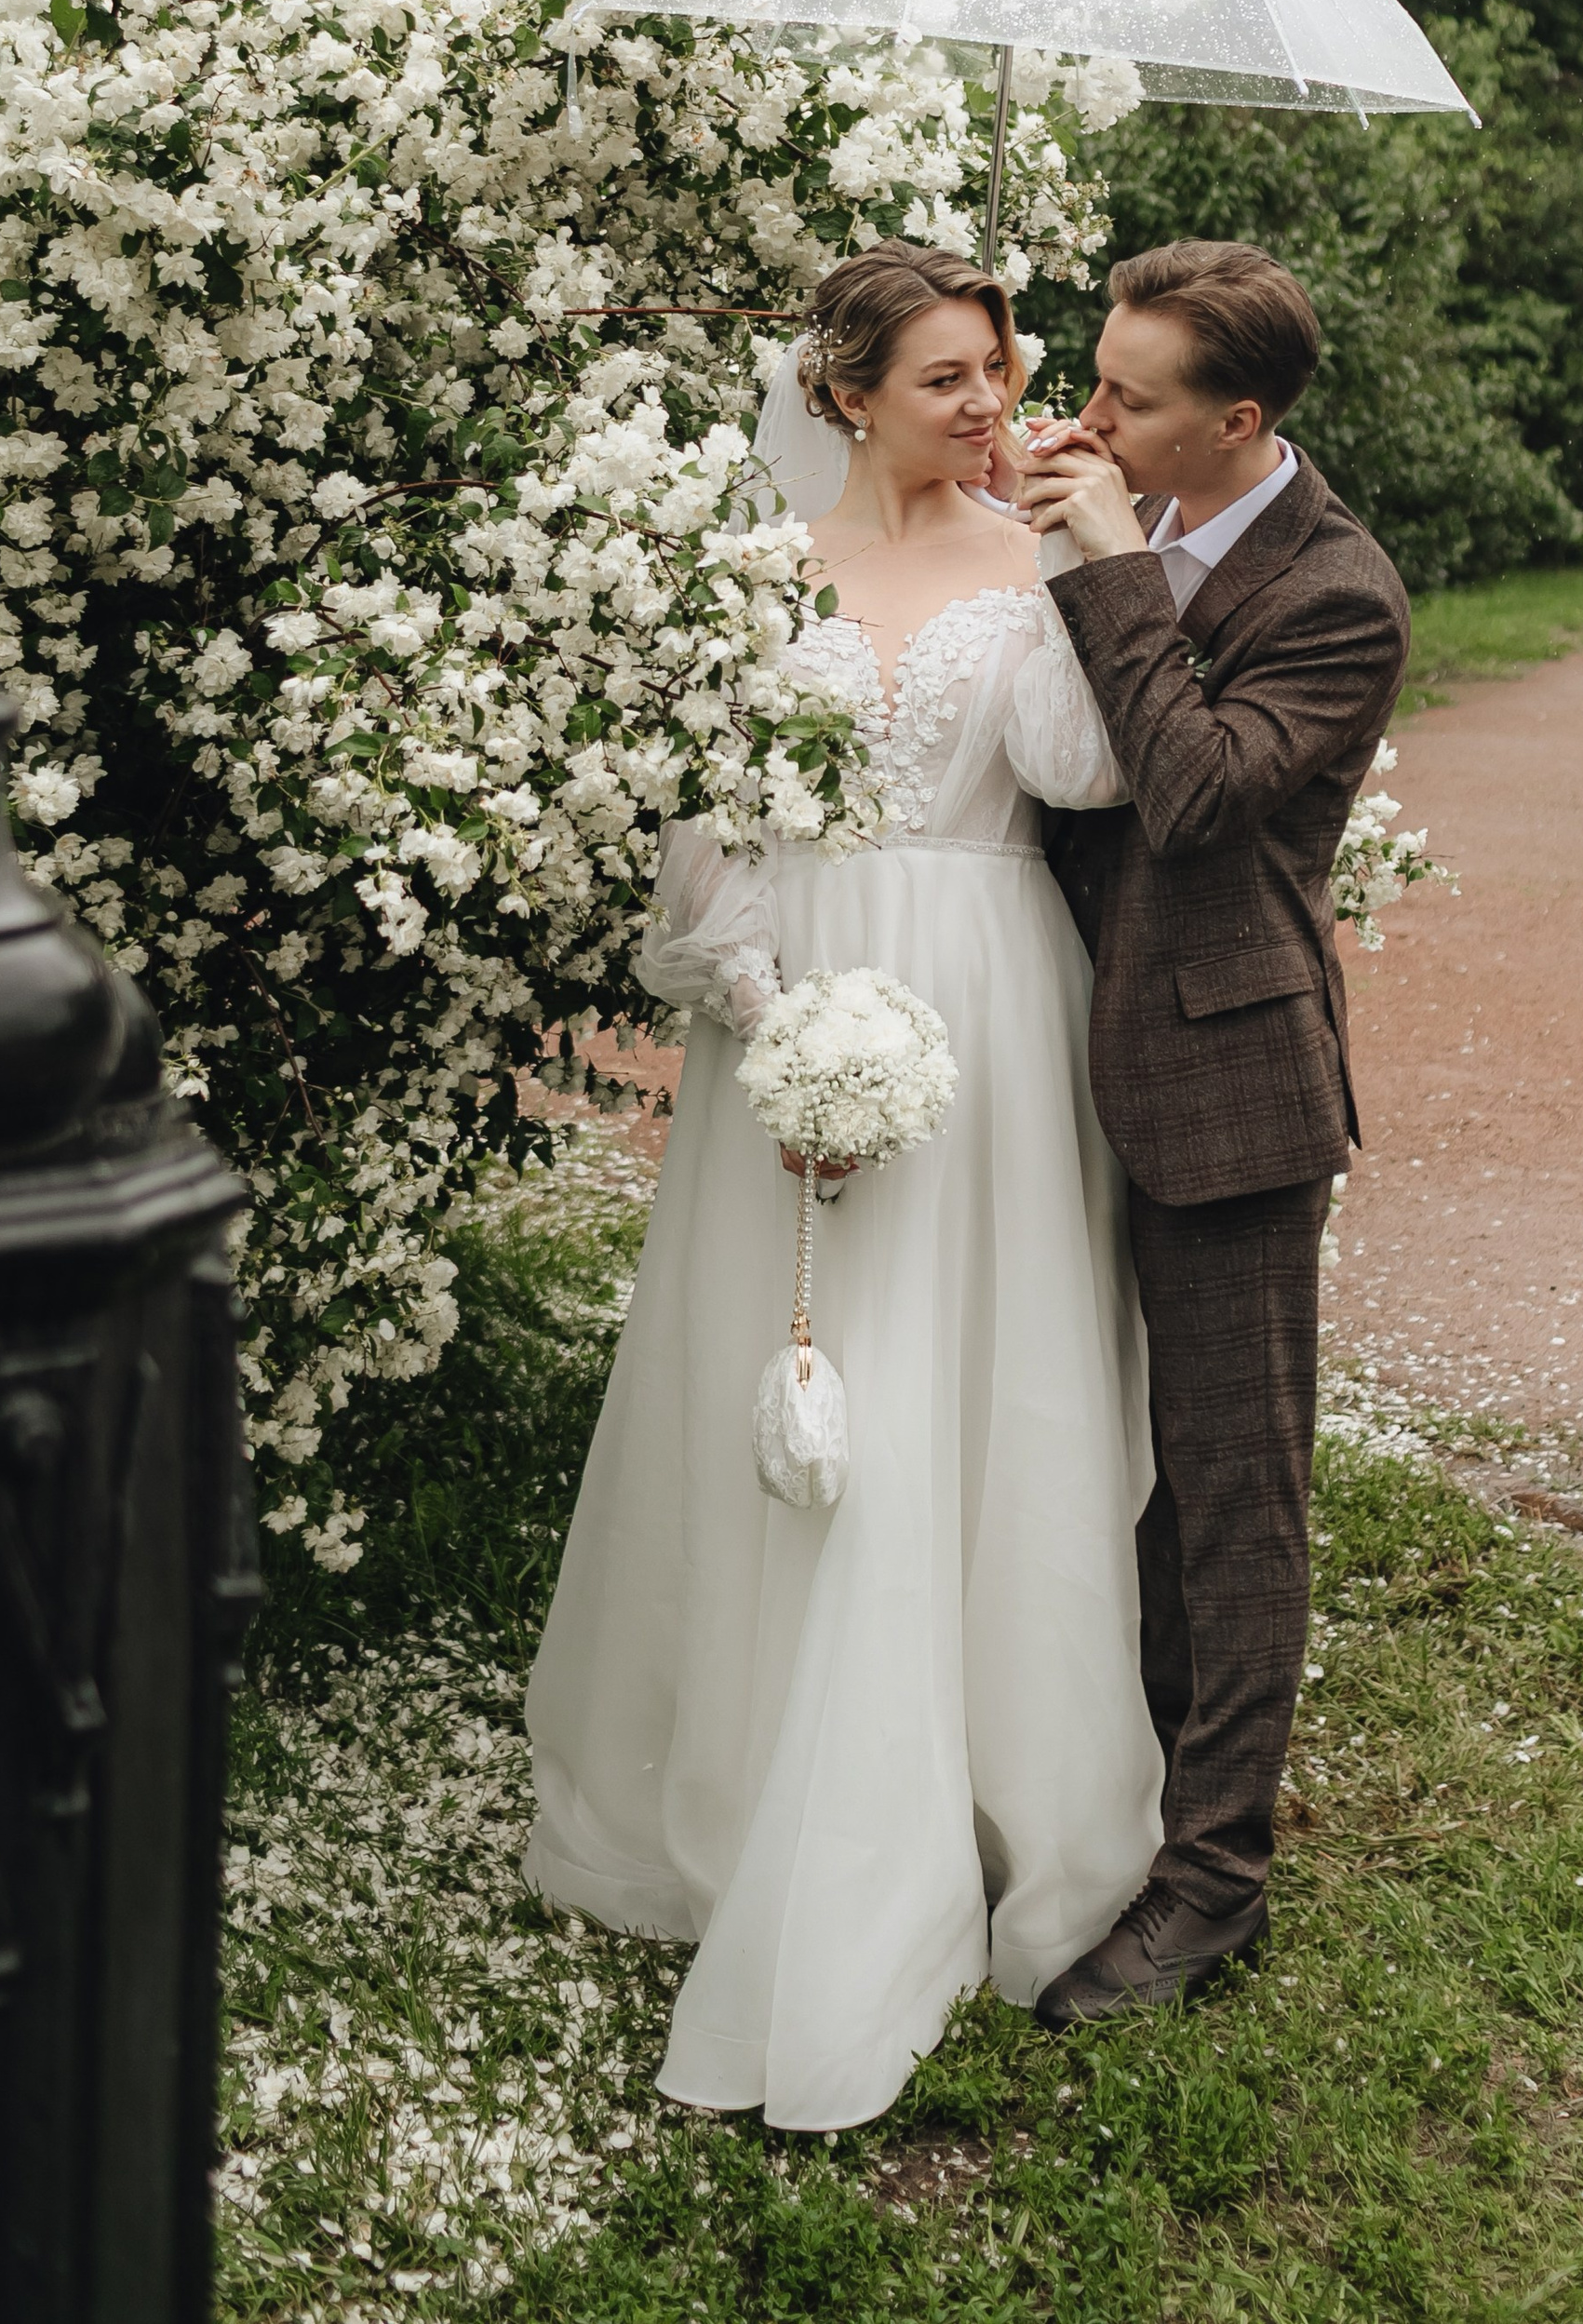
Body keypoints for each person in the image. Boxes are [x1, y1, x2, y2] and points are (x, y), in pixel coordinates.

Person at [520, 241, 1160, 2133]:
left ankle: (965, 1790)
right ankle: (740, 1770)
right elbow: (704, 844)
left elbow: (1077, 772)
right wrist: (768, 1021)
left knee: (969, 1371)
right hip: (790, 994)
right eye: (949, 376)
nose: (990, 402)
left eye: (1000, 370)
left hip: (982, 993)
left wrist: (1079, 557)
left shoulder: (1024, 563)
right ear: (846, 392)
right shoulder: (750, 584)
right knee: (786, 1368)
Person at [1016, 241, 1410, 2024]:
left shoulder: (1340, 597)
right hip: (1043, 1054)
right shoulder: (1098, 513)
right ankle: (1099, 1792)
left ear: (1236, 421)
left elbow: (1183, 797)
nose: (1087, 417)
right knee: (1085, 1453)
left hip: (1223, 1083)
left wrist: (1100, 565)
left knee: (1228, 1485)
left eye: (1130, 400)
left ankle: (1215, 1877)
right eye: (1092, 379)